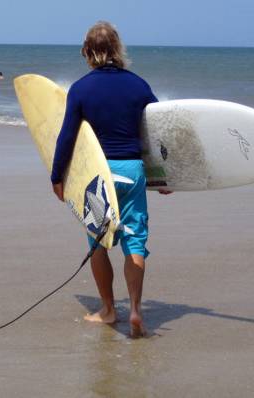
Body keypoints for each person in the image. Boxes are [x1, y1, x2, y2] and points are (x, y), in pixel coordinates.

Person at [51, 22, 171, 337]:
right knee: (135, 242)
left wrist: (57, 176)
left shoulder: (80, 89)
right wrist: (164, 177)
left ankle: (107, 310)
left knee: (99, 245)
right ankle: (134, 309)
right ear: (118, 49)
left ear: (88, 52)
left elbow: (67, 137)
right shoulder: (139, 86)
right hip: (132, 170)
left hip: (97, 175)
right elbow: (157, 132)